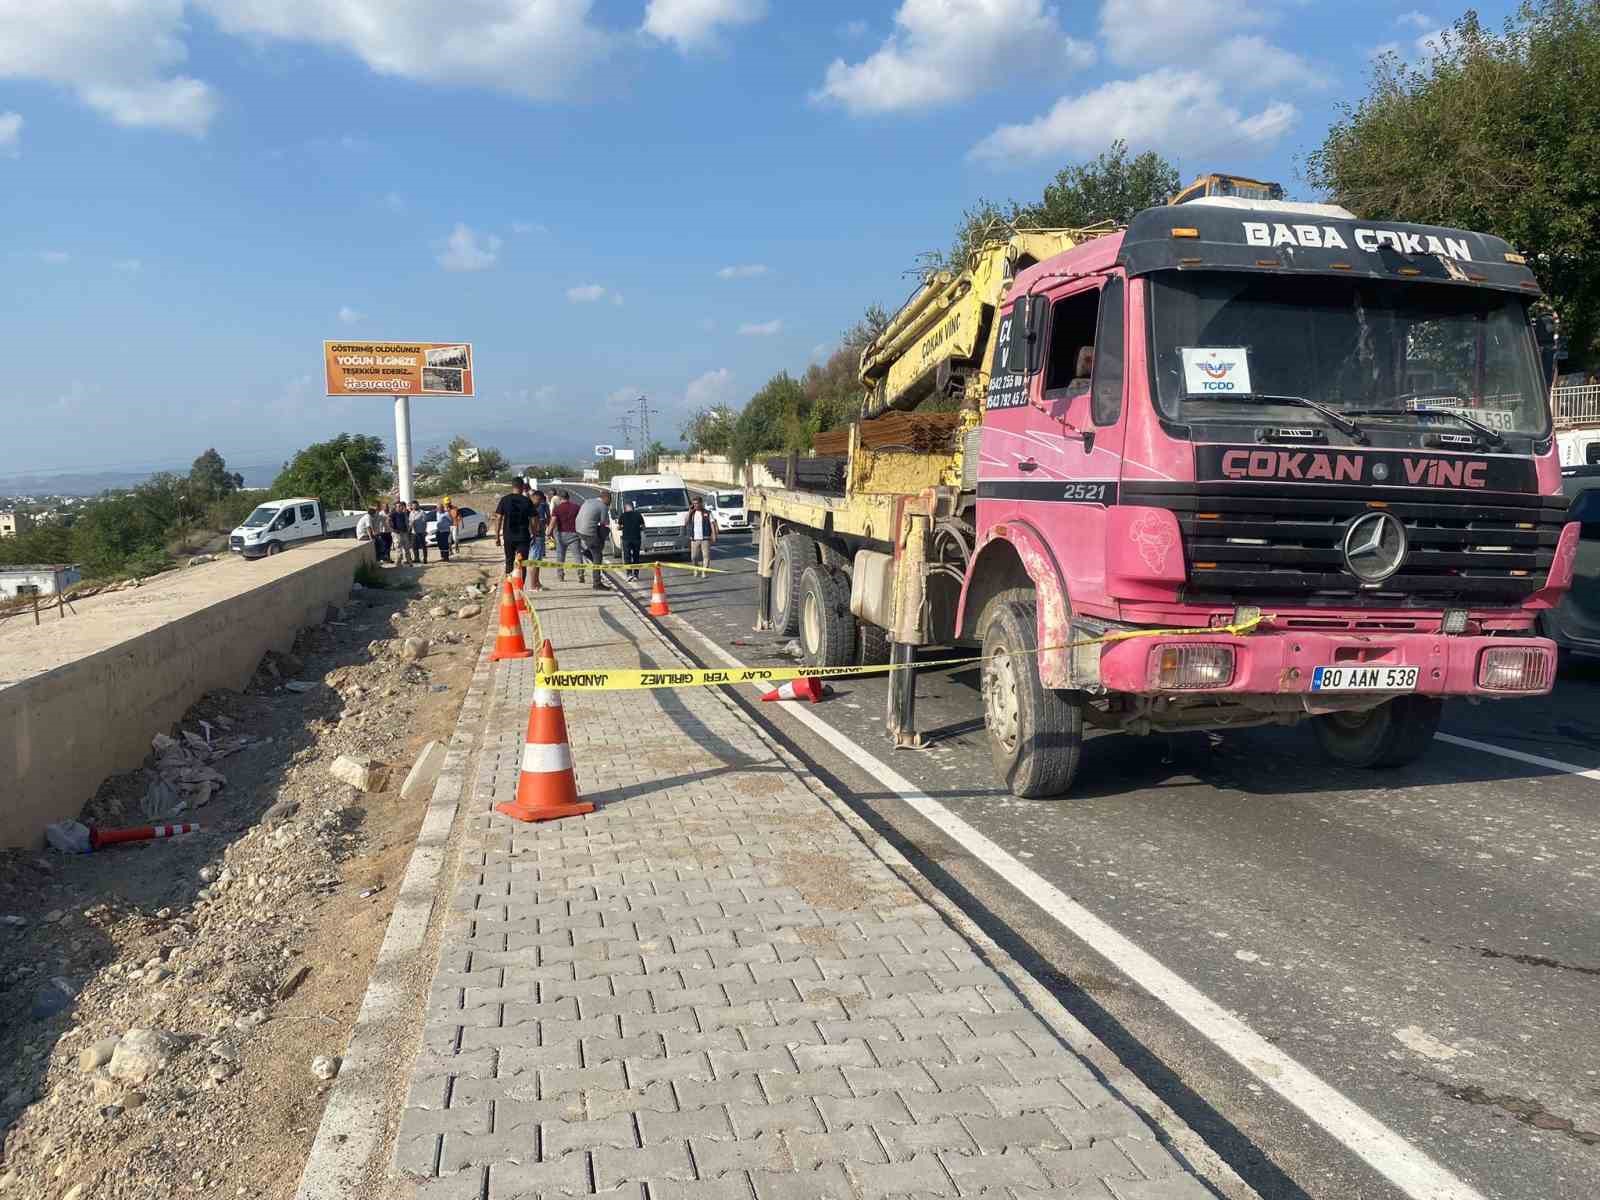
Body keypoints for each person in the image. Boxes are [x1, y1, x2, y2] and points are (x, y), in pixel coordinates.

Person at [494, 478, 536, 579]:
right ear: (522, 487)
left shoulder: (504, 500)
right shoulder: (527, 501)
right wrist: (534, 533)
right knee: (522, 563)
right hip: (523, 536)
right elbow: (534, 518)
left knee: (509, 561)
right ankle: (520, 586)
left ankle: (509, 585)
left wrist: (497, 536)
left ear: (512, 486)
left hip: (508, 536)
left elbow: (498, 518)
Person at [575, 489, 611, 590]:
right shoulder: (603, 506)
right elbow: (604, 523)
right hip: (588, 532)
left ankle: (588, 552)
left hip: (578, 530)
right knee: (598, 555)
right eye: (609, 501)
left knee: (594, 547)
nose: (609, 503)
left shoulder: (588, 501)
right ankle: (597, 583)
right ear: (606, 498)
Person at [550, 490, 582, 582]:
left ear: (560, 498)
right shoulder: (576, 507)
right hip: (574, 534)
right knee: (577, 555)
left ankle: (560, 575)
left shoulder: (557, 509)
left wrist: (549, 531)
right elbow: (581, 519)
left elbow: (553, 521)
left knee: (560, 556)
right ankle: (580, 574)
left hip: (561, 535)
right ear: (568, 497)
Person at [683, 495, 716, 574]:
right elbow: (686, 522)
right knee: (693, 557)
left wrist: (714, 535)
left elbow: (712, 524)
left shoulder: (707, 513)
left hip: (705, 538)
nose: (695, 505)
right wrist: (689, 511)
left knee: (706, 556)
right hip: (694, 538)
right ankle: (696, 568)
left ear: (701, 503)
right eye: (694, 504)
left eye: (697, 503)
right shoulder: (692, 513)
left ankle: (704, 571)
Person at [528, 488, 550, 591]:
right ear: (533, 497)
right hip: (535, 537)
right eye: (538, 500)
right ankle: (533, 585)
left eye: (541, 501)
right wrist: (533, 533)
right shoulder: (530, 508)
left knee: (538, 561)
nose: (539, 503)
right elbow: (530, 523)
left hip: (539, 536)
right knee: (534, 561)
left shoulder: (535, 507)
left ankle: (537, 583)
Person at [618, 500, 645, 581]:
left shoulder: (622, 515)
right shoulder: (638, 514)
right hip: (636, 538)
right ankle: (636, 575)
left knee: (627, 556)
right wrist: (638, 528)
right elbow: (643, 526)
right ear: (633, 507)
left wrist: (623, 527)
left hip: (626, 539)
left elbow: (619, 527)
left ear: (625, 508)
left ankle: (629, 574)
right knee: (636, 556)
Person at [391, 501, 413, 565]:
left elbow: (407, 522)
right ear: (396, 508)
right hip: (397, 534)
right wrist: (394, 529)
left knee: (407, 548)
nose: (400, 507)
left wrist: (408, 530)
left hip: (404, 532)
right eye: (399, 506)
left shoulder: (404, 514)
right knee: (398, 548)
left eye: (401, 506)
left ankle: (409, 561)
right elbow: (388, 522)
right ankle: (398, 562)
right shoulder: (393, 514)